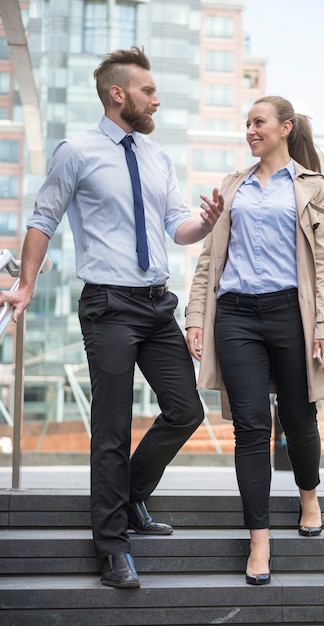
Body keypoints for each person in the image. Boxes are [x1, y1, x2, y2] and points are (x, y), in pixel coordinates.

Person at [0, 46, 223, 589]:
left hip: (155, 303)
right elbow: (42, 220)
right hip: (107, 306)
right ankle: (113, 547)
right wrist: (25, 284)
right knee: (111, 429)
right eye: (148, 90)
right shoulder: (75, 151)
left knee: (184, 409)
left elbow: (177, 226)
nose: (157, 99)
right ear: (118, 94)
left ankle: (131, 498)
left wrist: (208, 222)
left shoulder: (157, 157)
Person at [185, 95, 324, 586]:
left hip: (291, 316)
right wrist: (195, 316)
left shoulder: (313, 188)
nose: (250, 130)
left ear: (285, 127)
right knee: (251, 428)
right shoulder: (233, 187)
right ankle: (259, 540)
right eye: (247, 124)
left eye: (259, 123)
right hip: (235, 316)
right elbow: (210, 259)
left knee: (299, 418)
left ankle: (308, 494)